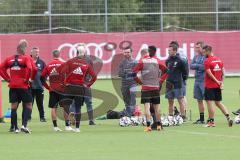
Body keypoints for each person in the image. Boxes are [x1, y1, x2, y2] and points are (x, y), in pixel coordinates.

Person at [61, 43, 97, 132]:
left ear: (76, 52)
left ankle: (67, 125)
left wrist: (65, 82)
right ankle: (77, 128)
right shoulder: (86, 63)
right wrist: (88, 84)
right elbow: (94, 76)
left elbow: (62, 72)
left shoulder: (70, 61)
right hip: (81, 86)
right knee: (80, 106)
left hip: (70, 86)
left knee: (67, 104)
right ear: (84, 52)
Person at [0, 44, 33, 133]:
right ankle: (24, 125)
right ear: (22, 50)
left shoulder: (9, 59)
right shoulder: (25, 58)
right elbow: (30, 68)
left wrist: (7, 79)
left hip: (13, 85)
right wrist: (26, 79)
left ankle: (15, 128)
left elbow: (0, 68)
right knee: (29, 104)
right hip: (23, 85)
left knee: (13, 107)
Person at [133, 48, 167, 132]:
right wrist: (161, 80)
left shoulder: (142, 61)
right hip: (155, 87)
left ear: (142, 54)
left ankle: (148, 126)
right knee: (157, 107)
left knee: (147, 107)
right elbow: (166, 71)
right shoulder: (157, 60)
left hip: (146, 88)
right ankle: (159, 125)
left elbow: (133, 74)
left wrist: (139, 82)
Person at [41, 50, 73, 132]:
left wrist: (47, 87)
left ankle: (55, 127)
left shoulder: (49, 65)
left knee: (53, 108)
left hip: (53, 89)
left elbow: (42, 77)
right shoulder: (63, 64)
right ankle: (67, 126)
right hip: (62, 89)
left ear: (53, 55)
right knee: (65, 107)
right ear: (60, 55)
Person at [202, 45, 233, 127]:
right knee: (218, 103)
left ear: (208, 51)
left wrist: (217, 81)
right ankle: (228, 117)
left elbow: (210, 74)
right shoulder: (219, 60)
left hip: (210, 86)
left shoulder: (207, 61)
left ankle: (211, 122)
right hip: (217, 86)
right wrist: (221, 82)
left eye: (204, 52)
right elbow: (224, 72)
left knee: (210, 103)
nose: (203, 53)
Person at [165, 42, 189, 121]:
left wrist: (183, 79)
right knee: (170, 101)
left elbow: (185, 72)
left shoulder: (180, 60)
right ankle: (170, 117)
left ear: (175, 51)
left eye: (170, 50)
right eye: (168, 50)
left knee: (180, 100)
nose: (168, 52)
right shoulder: (167, 60)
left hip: (178, 83)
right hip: (169, 83)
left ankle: (183, 117)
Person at [118, 47, 137, 116]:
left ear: (131, 53)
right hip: (124, 84)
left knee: (133, 96)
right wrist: (129, 73)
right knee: (126, 99)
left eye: (128, 52)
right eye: (125, 52)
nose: (126, 54)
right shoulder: (121, 63)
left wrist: (127, 73)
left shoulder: (135, 62)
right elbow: (119, 74)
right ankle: (128, 113)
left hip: (133, 83)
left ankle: (133, 113)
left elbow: (136, 73)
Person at [190, 41, 206, 124]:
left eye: (198, 47)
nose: (196, 49)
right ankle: (202, 119)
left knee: (208, 100)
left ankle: (211, 119)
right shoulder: (196, 57)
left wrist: (197, 65)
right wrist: (199, 66)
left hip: (204, 81)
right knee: (199, 100)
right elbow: (191, 66)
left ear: (202, 48)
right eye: (195, 47)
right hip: (197, 80)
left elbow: (204, 67)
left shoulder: (206, 56)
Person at [30, 47, 47, 122]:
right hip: (29, 86)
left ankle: (42, 117)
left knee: (40, 103)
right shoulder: (27, 60)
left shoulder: (42, 62)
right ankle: (28, 117)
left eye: (38, 52)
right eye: (35, 52)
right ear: (32, 53)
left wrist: (43, 82)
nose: (37, 53)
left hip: (39, 86)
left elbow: (45, 73)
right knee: (29, 102)